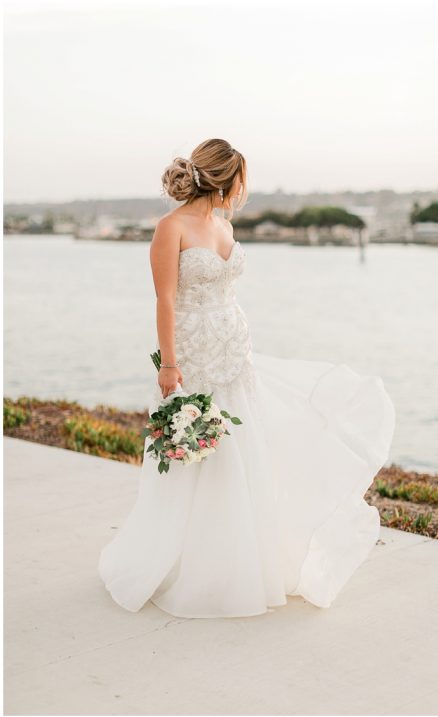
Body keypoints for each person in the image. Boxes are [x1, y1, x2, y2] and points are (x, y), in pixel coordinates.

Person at [99, 138, 395, 618]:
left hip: (235, 349)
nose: (242, 190)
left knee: (243, 450)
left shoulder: (223, 224)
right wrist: (170, 365)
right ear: (224, 179)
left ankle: (242, 561)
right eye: (240, 181)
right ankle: (186, 565)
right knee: (200, 455)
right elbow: (165, 300)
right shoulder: (169, 227)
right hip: (193, 353)